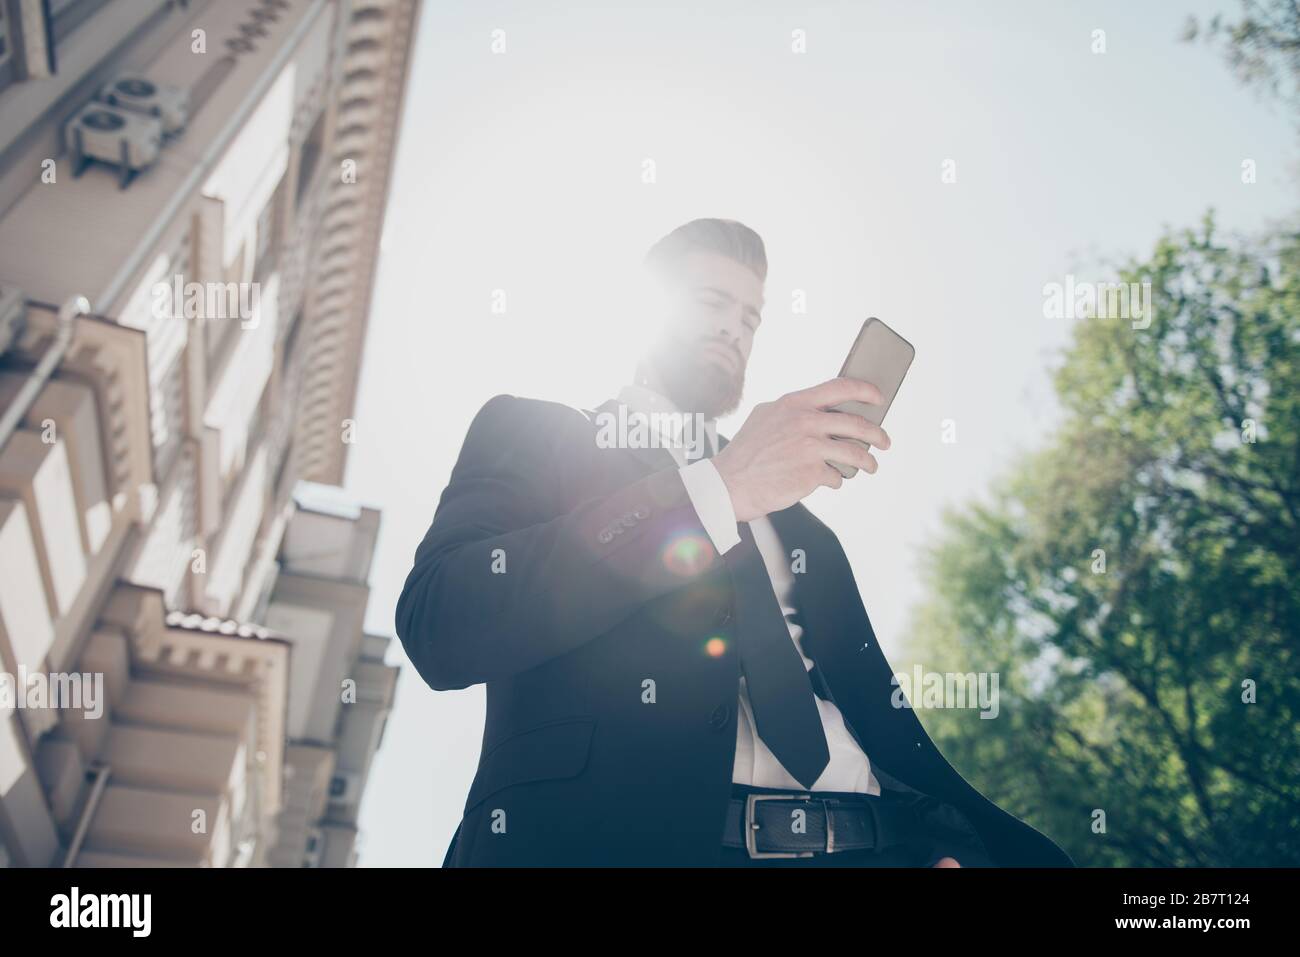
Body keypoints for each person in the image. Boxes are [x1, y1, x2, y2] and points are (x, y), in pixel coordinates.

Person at [396, 218, 1073, 868]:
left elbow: (867, 724)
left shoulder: (804, 527)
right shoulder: (535, 432)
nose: (733, 327)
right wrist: (716, 491)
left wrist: (932, 847)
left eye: (751, 317)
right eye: (712, 301)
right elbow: (442, 623)